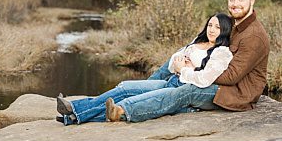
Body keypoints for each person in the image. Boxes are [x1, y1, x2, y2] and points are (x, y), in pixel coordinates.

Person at [104, 0, 271, 123]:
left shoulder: (253, 35)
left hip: (235, 92)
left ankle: (124, 111)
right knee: (169, 66)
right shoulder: (235, 24)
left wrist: (193, 70)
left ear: (252, 0)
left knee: (187, 91)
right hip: (219, 80)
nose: (235, 4)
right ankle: (146, 93)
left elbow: (231, 76)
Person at [56, 13, 234, 125]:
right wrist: (178, 63)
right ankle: (73, 110)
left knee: (136, 101)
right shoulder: (198, 41)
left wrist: (187, 69)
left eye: (217, 27)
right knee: (125, 89)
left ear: (225, 31)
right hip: (171, 81)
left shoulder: (222, 53)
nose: (212, 29)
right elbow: (172, 64)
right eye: (210, 25)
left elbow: (205, 79)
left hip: (181, 89)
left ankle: (74, 113)